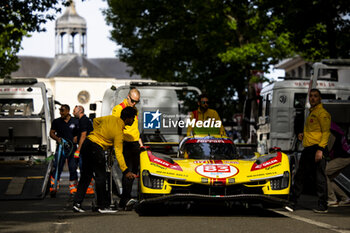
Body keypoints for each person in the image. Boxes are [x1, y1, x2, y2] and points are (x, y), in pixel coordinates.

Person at [72, 106, 137, 214]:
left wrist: (99, 133)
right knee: (101, 177)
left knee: (86, 176)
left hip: (87, 144)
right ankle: (102, 205)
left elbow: (96, 121)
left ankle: (77, 203)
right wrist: (125, 171)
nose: (133, 120)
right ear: (127, 119)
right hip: (96, 148)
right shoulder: (119, 134)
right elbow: (119, 153)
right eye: (132, 118)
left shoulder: (111, 118)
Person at [289, 89, 331, 213]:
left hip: (317, 149)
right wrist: (302, 135)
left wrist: (320, 150)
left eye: (315, 96)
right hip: (308, 149)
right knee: (300, 176)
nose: (312, 98)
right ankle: (293, 202)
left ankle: (323, 205)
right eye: (311, 96)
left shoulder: (322, 113)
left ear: (320, 98)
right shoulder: (311, 113)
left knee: (319, 178)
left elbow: (325, 133)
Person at [112, 88, 143, 210]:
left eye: (137, 101)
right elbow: (116, 127)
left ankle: (126, 199)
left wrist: (140, 143)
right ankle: (125, 200)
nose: (134, 103)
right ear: (128, 97)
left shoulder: (134, 110)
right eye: (133, 101)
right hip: (125, 143)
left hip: (135, 143)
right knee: (127, 172)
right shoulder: (118, 109)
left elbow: (135, 129)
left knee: (134, 172)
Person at [49, 104, 79, 196]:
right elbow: (51, 133)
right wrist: (57, 139)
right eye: (60, 110)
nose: (60, 112)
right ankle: (53, 188)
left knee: (73, 168)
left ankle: (73, 189)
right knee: (57, 167)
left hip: (72, 148)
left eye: (62, 110)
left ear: (68, 111)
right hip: (61, 148)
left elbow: (81, 133)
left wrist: (76, 138)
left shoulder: (75, 121)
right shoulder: (56, 122)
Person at [326, 122, 350, 207]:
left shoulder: (331, 130)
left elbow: (329, 147)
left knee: (324, 173)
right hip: (345, 156)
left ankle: (332, 199)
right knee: (329, 178)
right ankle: (345, 199)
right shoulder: (336, 128)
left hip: (342, 157)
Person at [73, 105, 94, 196]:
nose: (73, 113)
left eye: (74, 111)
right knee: (84, 169)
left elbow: (83, 135)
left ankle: (88, 189)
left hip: (85, 149)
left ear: (80, 111)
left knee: (85, 169)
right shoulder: (82, 120)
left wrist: (78, 149)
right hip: (85, 148)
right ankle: (87, 188)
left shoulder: (84, 120)